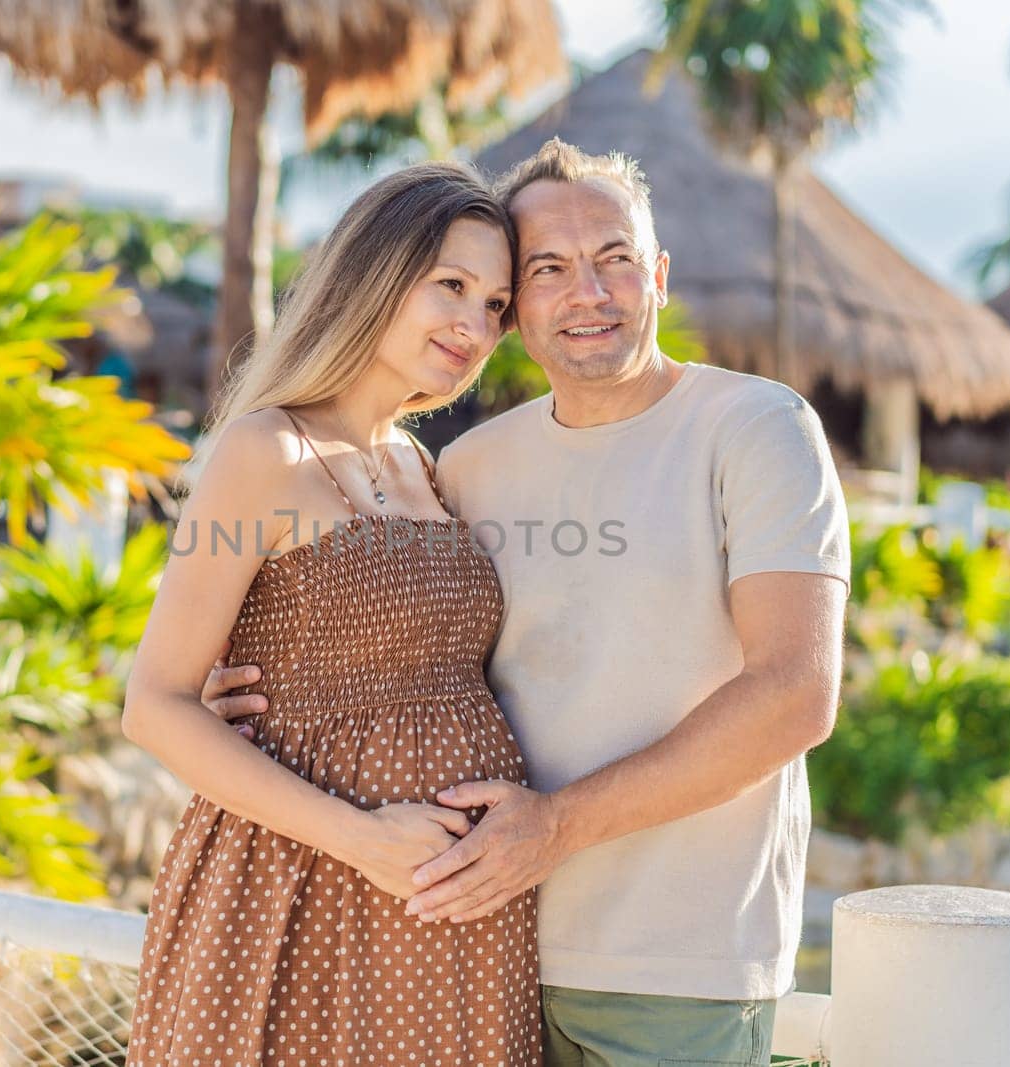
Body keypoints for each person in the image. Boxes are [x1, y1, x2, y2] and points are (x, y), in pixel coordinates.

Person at [206, 139, 850, 1067]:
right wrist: (257, 696)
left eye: (614, 259)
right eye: (546, 269)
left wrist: (552, 830)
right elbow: (390, 633)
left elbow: (795, 693)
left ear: (658, 275)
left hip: (676, 970)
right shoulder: (464, 468)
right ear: (519, 311)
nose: (586, 292)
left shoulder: (757, 427)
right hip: (465, 944)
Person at [120, 161, 542, 1066]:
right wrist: (365, 839)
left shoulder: (424, 465)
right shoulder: (261, 450)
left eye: (497, 305)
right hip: (300, 888)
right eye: (452, 286)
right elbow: (154, 701)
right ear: (376, 274)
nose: (476, 326)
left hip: (451, 915)